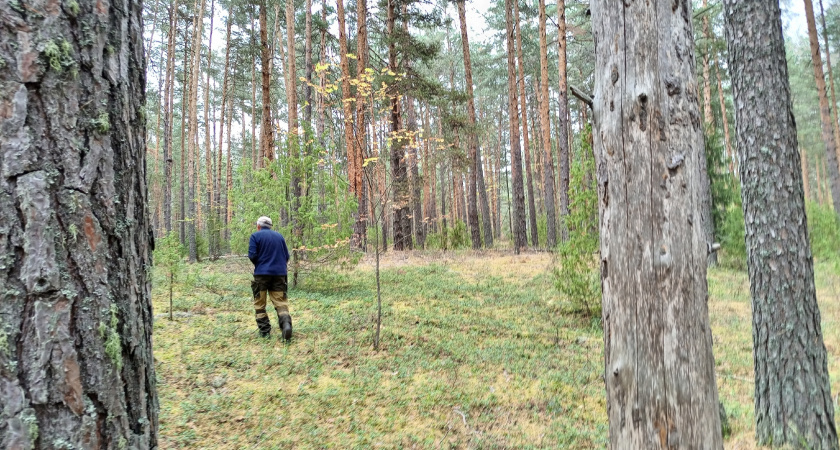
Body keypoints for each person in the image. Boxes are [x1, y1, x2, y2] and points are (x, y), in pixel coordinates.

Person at [248, 216, 293, 340]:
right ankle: (286, 325)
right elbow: (287, 256)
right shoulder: (279, 236)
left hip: (261, 275)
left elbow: (252, 255)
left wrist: (261, 264)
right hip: (279, 275)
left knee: (260, 303)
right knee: (281, 303)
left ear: (258, 226)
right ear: (270, 226)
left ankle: (265, 332)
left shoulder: (255, 236)